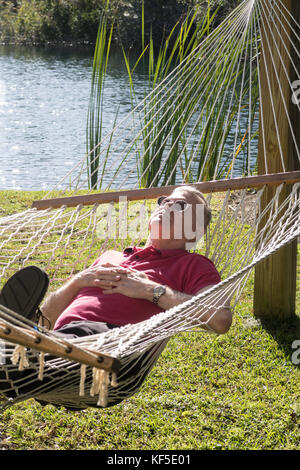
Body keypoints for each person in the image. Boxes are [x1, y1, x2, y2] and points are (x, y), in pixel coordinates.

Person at [0, 185, 231, 407]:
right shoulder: (111, 256)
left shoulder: (193, 265)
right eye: (164, 200)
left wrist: (151, 290)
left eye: (180, 205)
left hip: (110, 350)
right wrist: (76, 282)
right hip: (56, 338)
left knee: (33, 354)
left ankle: (14, 356)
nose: (167, 204)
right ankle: (17, 350)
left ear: (196, 230)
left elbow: (220, 319)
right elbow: (45, 320)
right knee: (36, 339)